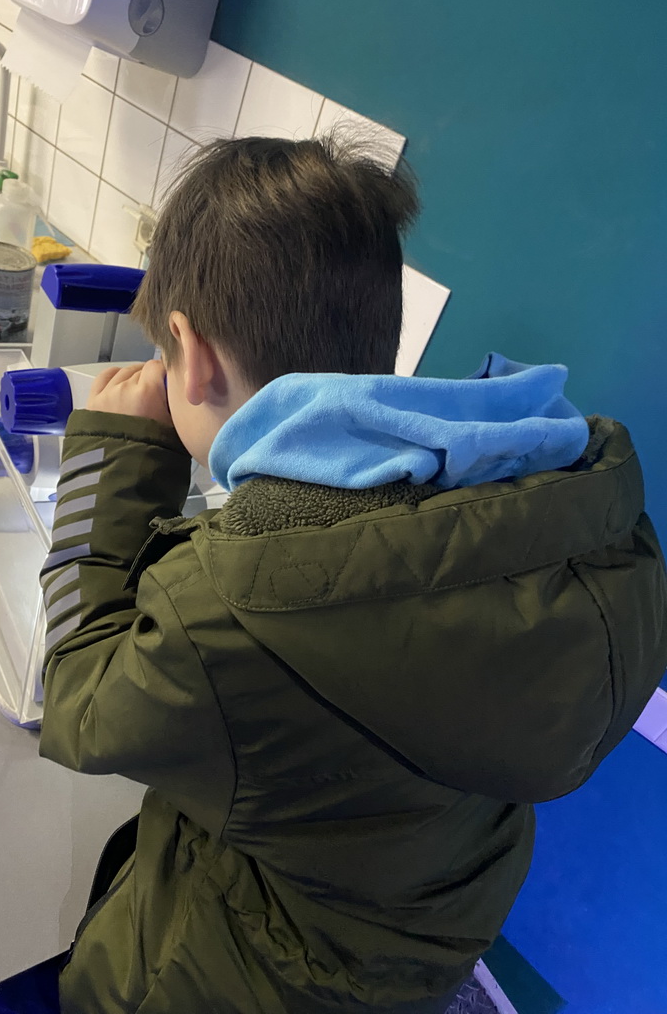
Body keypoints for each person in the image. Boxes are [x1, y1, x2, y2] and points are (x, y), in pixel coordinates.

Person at [36, 135, 667, 1014]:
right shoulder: (555, 525)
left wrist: (117, 456)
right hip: (397, 960)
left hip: (229, 981)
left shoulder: (223, 617)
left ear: (191, 350)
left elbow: (78, 703)